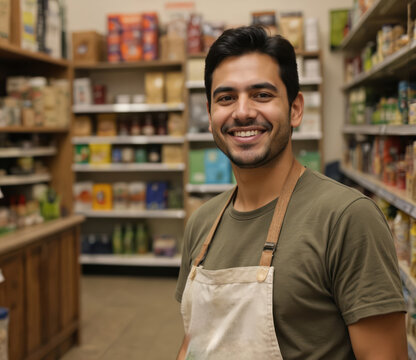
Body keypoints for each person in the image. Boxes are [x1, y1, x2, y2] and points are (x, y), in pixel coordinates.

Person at [175, 25, 407, 359]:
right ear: (210, 115)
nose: (242, 112)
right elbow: (193, 344)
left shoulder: (347, 218)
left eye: (262, 95)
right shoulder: (201, 224)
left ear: (295, 109)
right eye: (226, 98)